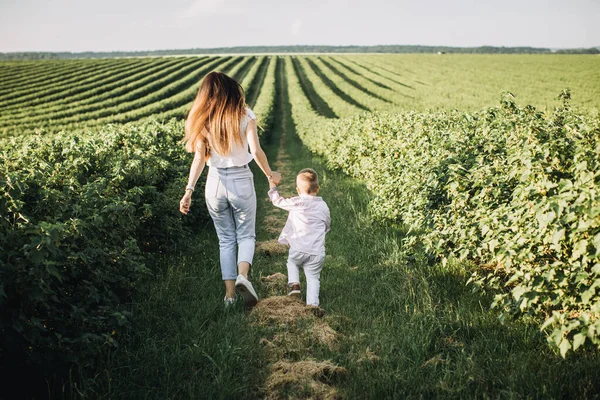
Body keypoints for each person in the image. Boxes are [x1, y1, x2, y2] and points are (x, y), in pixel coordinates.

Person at [179, 71, 281, 307]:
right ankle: (243, 276)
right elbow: (255, 151)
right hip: (241, 181)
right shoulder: (245, 115)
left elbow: (199, 159)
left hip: (214, 183)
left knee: (225, 240)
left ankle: (229, 297)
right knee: (246, 234)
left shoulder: (203, 120)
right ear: (231, 90)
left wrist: (188, 190)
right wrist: (270, 175)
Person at [267, 168, 330, 307]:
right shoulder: (323, 206)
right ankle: (313, 305)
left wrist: (273, 185)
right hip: (316, 252)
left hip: (298, 248)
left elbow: (277, 201)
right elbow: (327, 224)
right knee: (313, 278)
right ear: (317, 189)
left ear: (297, 190)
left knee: (292, 263)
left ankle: (295, 284)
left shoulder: (297, 203)